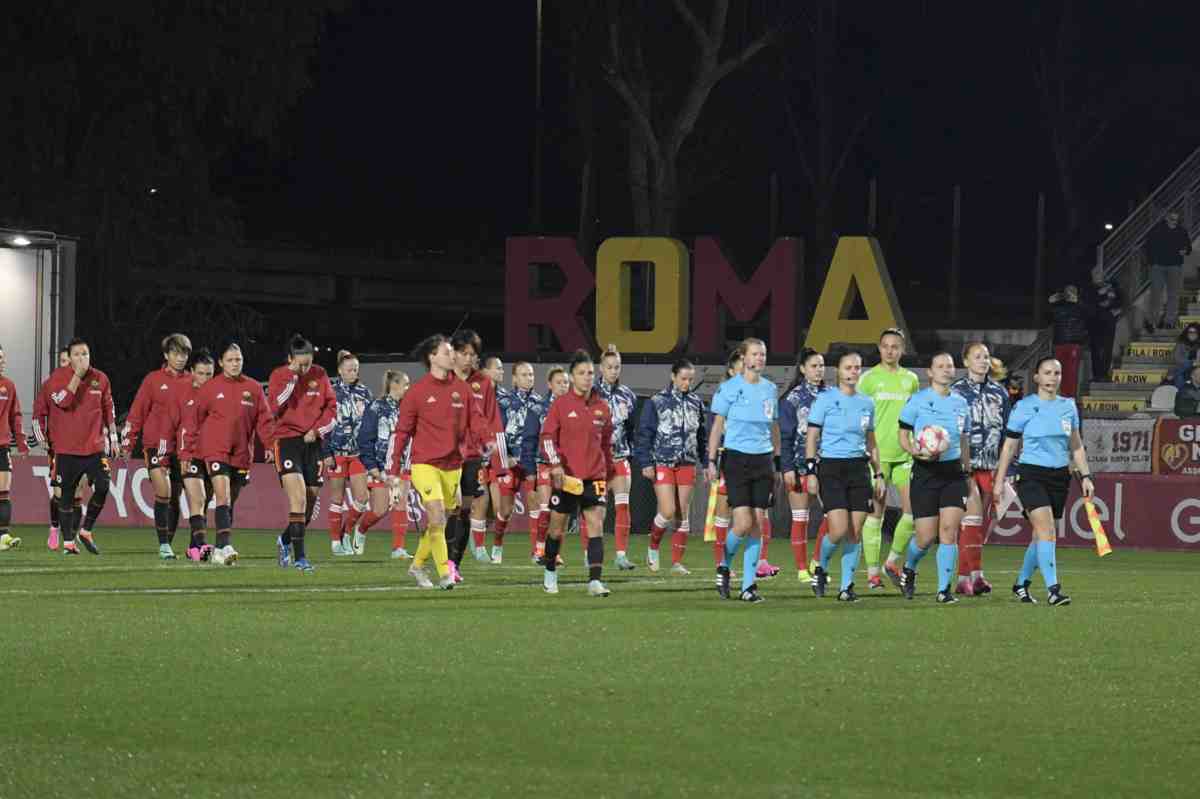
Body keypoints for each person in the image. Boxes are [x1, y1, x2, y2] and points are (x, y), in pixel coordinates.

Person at [993, 356, 1094, 606]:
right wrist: (998, 481)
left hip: (1060, 476)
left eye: (1057, 373)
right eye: (1047, 373)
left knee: (1041, 536)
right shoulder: (1024, 407)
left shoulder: (1068, 406)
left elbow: (1077, 446)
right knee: (1047, 531)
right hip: (1031, 475)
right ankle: (1054, 590)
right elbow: (1009, 447)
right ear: (1036, 377)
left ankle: (1021, 584)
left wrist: (1086, 476)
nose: (1052, 378)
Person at [385, 334, 471, 590]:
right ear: (432, 357)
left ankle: (417, 565)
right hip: (424, 464)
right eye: (446, 352)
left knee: (439, 522)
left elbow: (473, 423)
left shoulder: (462, 389)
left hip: (453, 466)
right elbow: (402, 432)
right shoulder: (418, 392)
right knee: (435, 514)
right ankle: (446, 573)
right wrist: (394, 470)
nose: (452, 355)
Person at [805, 351, 886, 602]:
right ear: (839, 371)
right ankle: (820, 565)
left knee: (855, 530)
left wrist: (879, 473)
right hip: (831, 467)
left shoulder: (867, 403)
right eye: (848, 367)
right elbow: (812, 436)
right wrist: (810, 471)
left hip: (858, 469)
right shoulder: (825, 399)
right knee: (838, 529)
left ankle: (846, 587)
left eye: (857, 368)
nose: (853, 372)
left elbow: (871, 442)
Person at [187, 342, 275, 566]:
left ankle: (217, 548)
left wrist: (271, 445)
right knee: (222, 495)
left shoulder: (254, 388)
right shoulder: (210, 388)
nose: (235, 363)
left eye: (238, 359)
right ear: (221, 363)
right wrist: (188, 451)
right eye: (230, 360)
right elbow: (194, 420)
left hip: (242, 454)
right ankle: (224, 545)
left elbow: (264, 421)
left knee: (229, 501)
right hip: (215, 450)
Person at [706, 337, 780, 603]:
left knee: (758, 521)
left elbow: (773, 426)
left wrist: (778, 460)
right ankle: (723, 564)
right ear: (744, 358)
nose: (760, 358)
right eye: (755, 354)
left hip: (763, 459)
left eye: (763, 354)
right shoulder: (729, 388)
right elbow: (717, 426)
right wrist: (711, 460)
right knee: (743, 522)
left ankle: (748, 587)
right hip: (736, 459)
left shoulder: (771, 389)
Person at [538, 350, 614, 596]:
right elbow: (547, 437)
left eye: (590, 373)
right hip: (567, 478)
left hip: (595, 477)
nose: (587, 377)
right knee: (556, 528)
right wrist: (556, 465)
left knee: (596, 525)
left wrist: (608, 474)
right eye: (582, 373)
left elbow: (606, 445)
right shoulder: (560, 405)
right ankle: (550, 571)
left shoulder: (602, 407)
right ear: (572, 377)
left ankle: (594, 581)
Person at [897, 352, 971, 603]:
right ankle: (909, 567)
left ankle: (943, 590)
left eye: (950, 366)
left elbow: (963, 440)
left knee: (949, 530)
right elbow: (903, 435)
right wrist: (915, 451)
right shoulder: (917, 400)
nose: (946, 370)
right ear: (930, 372)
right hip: (925, 472)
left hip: (953, 473)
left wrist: (967, 469)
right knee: (925, 537)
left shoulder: (961, 403)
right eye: (940, 366)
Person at [267, 334, 336, 572]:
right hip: (287, 441)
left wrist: (317, 431)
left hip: (313, 443)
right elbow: (274, 406)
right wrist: (292, 378)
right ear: (290, 359)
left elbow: (332, 408)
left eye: (308, 363)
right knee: (298, 499)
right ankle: (300, 559)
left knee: (309, 502)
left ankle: (285, 540)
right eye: (301, 363)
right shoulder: (279, 375)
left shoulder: (320, 374)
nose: (306, 368)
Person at [121, 333, 193, 559]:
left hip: (181, 448)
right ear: (166, 355)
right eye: (176, 353)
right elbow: (137, 411)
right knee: (164, 491)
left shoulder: (192, 381)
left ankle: (167, 544)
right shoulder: (153, 380)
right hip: (154, 444)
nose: (180, 358)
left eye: (184, 353)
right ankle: (163, 545)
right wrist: (128, 441)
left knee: (175, 496)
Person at [44, 338, 118, 555]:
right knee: (65, 497)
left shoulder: (101, 378)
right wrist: (76, 376)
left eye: (85, 354)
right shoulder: (58, 378)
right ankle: (68, 542)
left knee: (103, 486)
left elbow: (108, 408)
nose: (81, 358)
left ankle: (86, 530)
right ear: (70, 358)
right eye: (76, 354)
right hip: (67, 449)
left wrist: (113, 436)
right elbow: (63, 402)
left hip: (94, 448)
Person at [860, 328, 920, 591]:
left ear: (902, 350)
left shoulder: (911, 380)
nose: (890, 350)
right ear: (879, 348)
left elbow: (915, 415)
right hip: (878, 456)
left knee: (913, 512)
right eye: (885, 346)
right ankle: (873, 574)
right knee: (876, 513)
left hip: (905, 453)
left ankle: (892, 561)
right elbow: (859, 416)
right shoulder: (869, 379)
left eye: (895, 346)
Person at [635, 358, 707, 575]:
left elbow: (701, 436)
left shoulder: (696, 402)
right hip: (662, 462)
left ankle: (676, 562)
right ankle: (653, 548)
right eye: (683, 378)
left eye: (690, 380)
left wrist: (706, 462)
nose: (687, 383)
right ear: (673, 376)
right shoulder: (656, 401)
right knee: (667, 510)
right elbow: (644, 434)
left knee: (681, 515)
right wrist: (646, 462)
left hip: (688, 463)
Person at [950, 342, 1011, 595]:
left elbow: (1009, 433)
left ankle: (976, 575)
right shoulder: (956, 392)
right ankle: (963, 578)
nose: (983, 361)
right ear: (965, 362)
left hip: (991, 465)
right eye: (977, 357)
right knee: (971, 519)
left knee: (980, 524)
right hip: (964, 465)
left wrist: (1009, 468)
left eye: (986, 357)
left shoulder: (1000, 393)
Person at [447, 329, 507, 580]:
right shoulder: (442, 379)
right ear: (454, 354)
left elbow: (495, 425)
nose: (469, 358)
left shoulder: (483, 383)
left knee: (466, 510)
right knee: (448, 509)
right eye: (464, 353)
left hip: (473, 458)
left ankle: (453, 563)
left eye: (473, 354)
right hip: (445, 458)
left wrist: (500, 465)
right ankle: (444, 560)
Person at [778, 348, 828, 582]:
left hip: (828, 464)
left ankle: (817, 560)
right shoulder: (792, 399)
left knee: (833, 516)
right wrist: (786, 467)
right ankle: (801, 570)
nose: (819, 370)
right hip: (798, 464)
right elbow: (785, 437)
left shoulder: (832, 395)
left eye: (821, 366)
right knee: (801, 517)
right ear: (802, 369)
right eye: (814, 366)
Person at [33, 347, 87, 550]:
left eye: (69, 360)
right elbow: (38, 414)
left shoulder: (86, 385)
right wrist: (42, 439)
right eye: (64, 361)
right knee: (59, 494)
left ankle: (70, 539)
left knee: (77, 493)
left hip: (83, 447)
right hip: (58, 446)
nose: (67, 364)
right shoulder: (50, 385)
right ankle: (54, 528)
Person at [356, 370, 412, 558]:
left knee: (400, 503)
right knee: (380, 510)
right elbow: (365, 438)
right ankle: (361, 530)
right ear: (394, 385)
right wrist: (372, 467)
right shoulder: (376, 407)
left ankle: (398, 548)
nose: (408, 388)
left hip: (402, 464)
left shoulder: (409, 408)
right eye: (405, 384)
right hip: (380, 465)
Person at [324, 350, 373, 555]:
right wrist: (326, 451)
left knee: (362, 498)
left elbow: (371, 423)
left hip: (358, 454)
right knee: (337, 499)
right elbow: (324, 424)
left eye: (355, 369)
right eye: (349, 369)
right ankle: (336, 543)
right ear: (340, 371)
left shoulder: (365, 392)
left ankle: (346, 531)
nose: (353, 372)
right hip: (337, 452)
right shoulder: (331, 393)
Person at [520, 366, 569, 564]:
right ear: (549, 384)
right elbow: (529, 440)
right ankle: (539, 550)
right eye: (559, 382)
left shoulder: (575, 407)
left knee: (561, 513)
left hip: (566, 468)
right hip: (544, 465)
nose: (563, 386)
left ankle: (554, 552)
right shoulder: (538, 408)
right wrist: (529, 470)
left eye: (566, 382)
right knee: (546, 509)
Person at [493, 360, 540, 565]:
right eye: (523, 374)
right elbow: (498, 433)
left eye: (530, 374)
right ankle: (497, 544)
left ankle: (537, 551)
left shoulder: (540, 403)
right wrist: (505, 460)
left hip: (531, 461)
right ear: (514, 378)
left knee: (534, 504)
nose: (528, 378)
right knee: (505, 510)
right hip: (510, 462)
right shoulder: (503, 402)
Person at [597, 344, 638, 570]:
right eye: (609, 367)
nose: (613, 371)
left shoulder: (627, 396)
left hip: (620, 457)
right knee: (597, 509)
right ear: (601, 368)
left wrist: (630, 450)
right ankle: (588, 552)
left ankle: (621, 555)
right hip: (597, 462)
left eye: (617, 367)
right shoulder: (591, 394)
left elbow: (631, 427)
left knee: (623, 506)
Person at [177, 349, 216, 561]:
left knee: (204, 501)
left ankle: (192, 549)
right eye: (201, 373)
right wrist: (183, 454)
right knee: (198, 499)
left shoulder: (218, 395)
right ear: (192, 372)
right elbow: (180, 427)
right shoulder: (184, 395)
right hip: (189, 455)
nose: (205, 378)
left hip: (211, 456)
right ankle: (202, 547)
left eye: (209, 374)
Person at [1143, 209, 1192, 334]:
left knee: (1173, 294)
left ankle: (1169, 321)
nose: (1174, 222)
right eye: (1172, 219)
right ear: (1166, 218)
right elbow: (1148, 245)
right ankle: (1153, 320)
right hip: (1158, 266)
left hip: (1175, 266)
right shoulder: (1157, 230)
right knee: (1156, 294)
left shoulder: (1182, 231)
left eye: (1176, 220)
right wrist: (1151, 262)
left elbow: (1188, 247)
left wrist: (1185, 251)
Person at [0, 344, 29, 551]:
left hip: (2, 446)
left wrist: (21, 443)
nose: (2, 362)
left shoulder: (8, 386)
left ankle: (3, 536)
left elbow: (15, 416)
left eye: (3, 358)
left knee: (3, 492)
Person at [1048, 285, 1090, 398]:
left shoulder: (1080, 307)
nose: (1069, 294)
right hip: (1060, 343)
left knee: (1071, 373)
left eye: (1072, 292)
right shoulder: (1060, 307)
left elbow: (1089, 315)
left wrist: (1078, 302)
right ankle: (1060, 396)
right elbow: (1050, 316)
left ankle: (1070, 397)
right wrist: (1052, 302)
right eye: (1067, 292)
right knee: (1059, 372)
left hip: (1073, 344)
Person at [1088, 267, 1122, 382]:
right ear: (1092, 276)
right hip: (1095, 323)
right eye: (1096, 273)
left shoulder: (1111, 286)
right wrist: (1100, 295)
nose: (1098, 275)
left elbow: (1120, 300)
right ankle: (1097, 375)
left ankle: (1105, 374)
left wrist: (1116, 308)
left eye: (1100, 273)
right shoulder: (1089, 288)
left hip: (1109, 321)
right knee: (1096, 349)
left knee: (1108, 348)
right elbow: (1089, 304)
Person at [1172, 324, 1200, 389]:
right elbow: (1177, 358)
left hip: (1197, 368)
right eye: (1190, 332)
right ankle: (1181, 393)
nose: (1192, 334)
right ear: (1187, 333)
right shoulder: (1181, 343)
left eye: (1194, 332)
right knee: (1179, 373)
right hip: (1184, 367)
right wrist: (1191, 363)